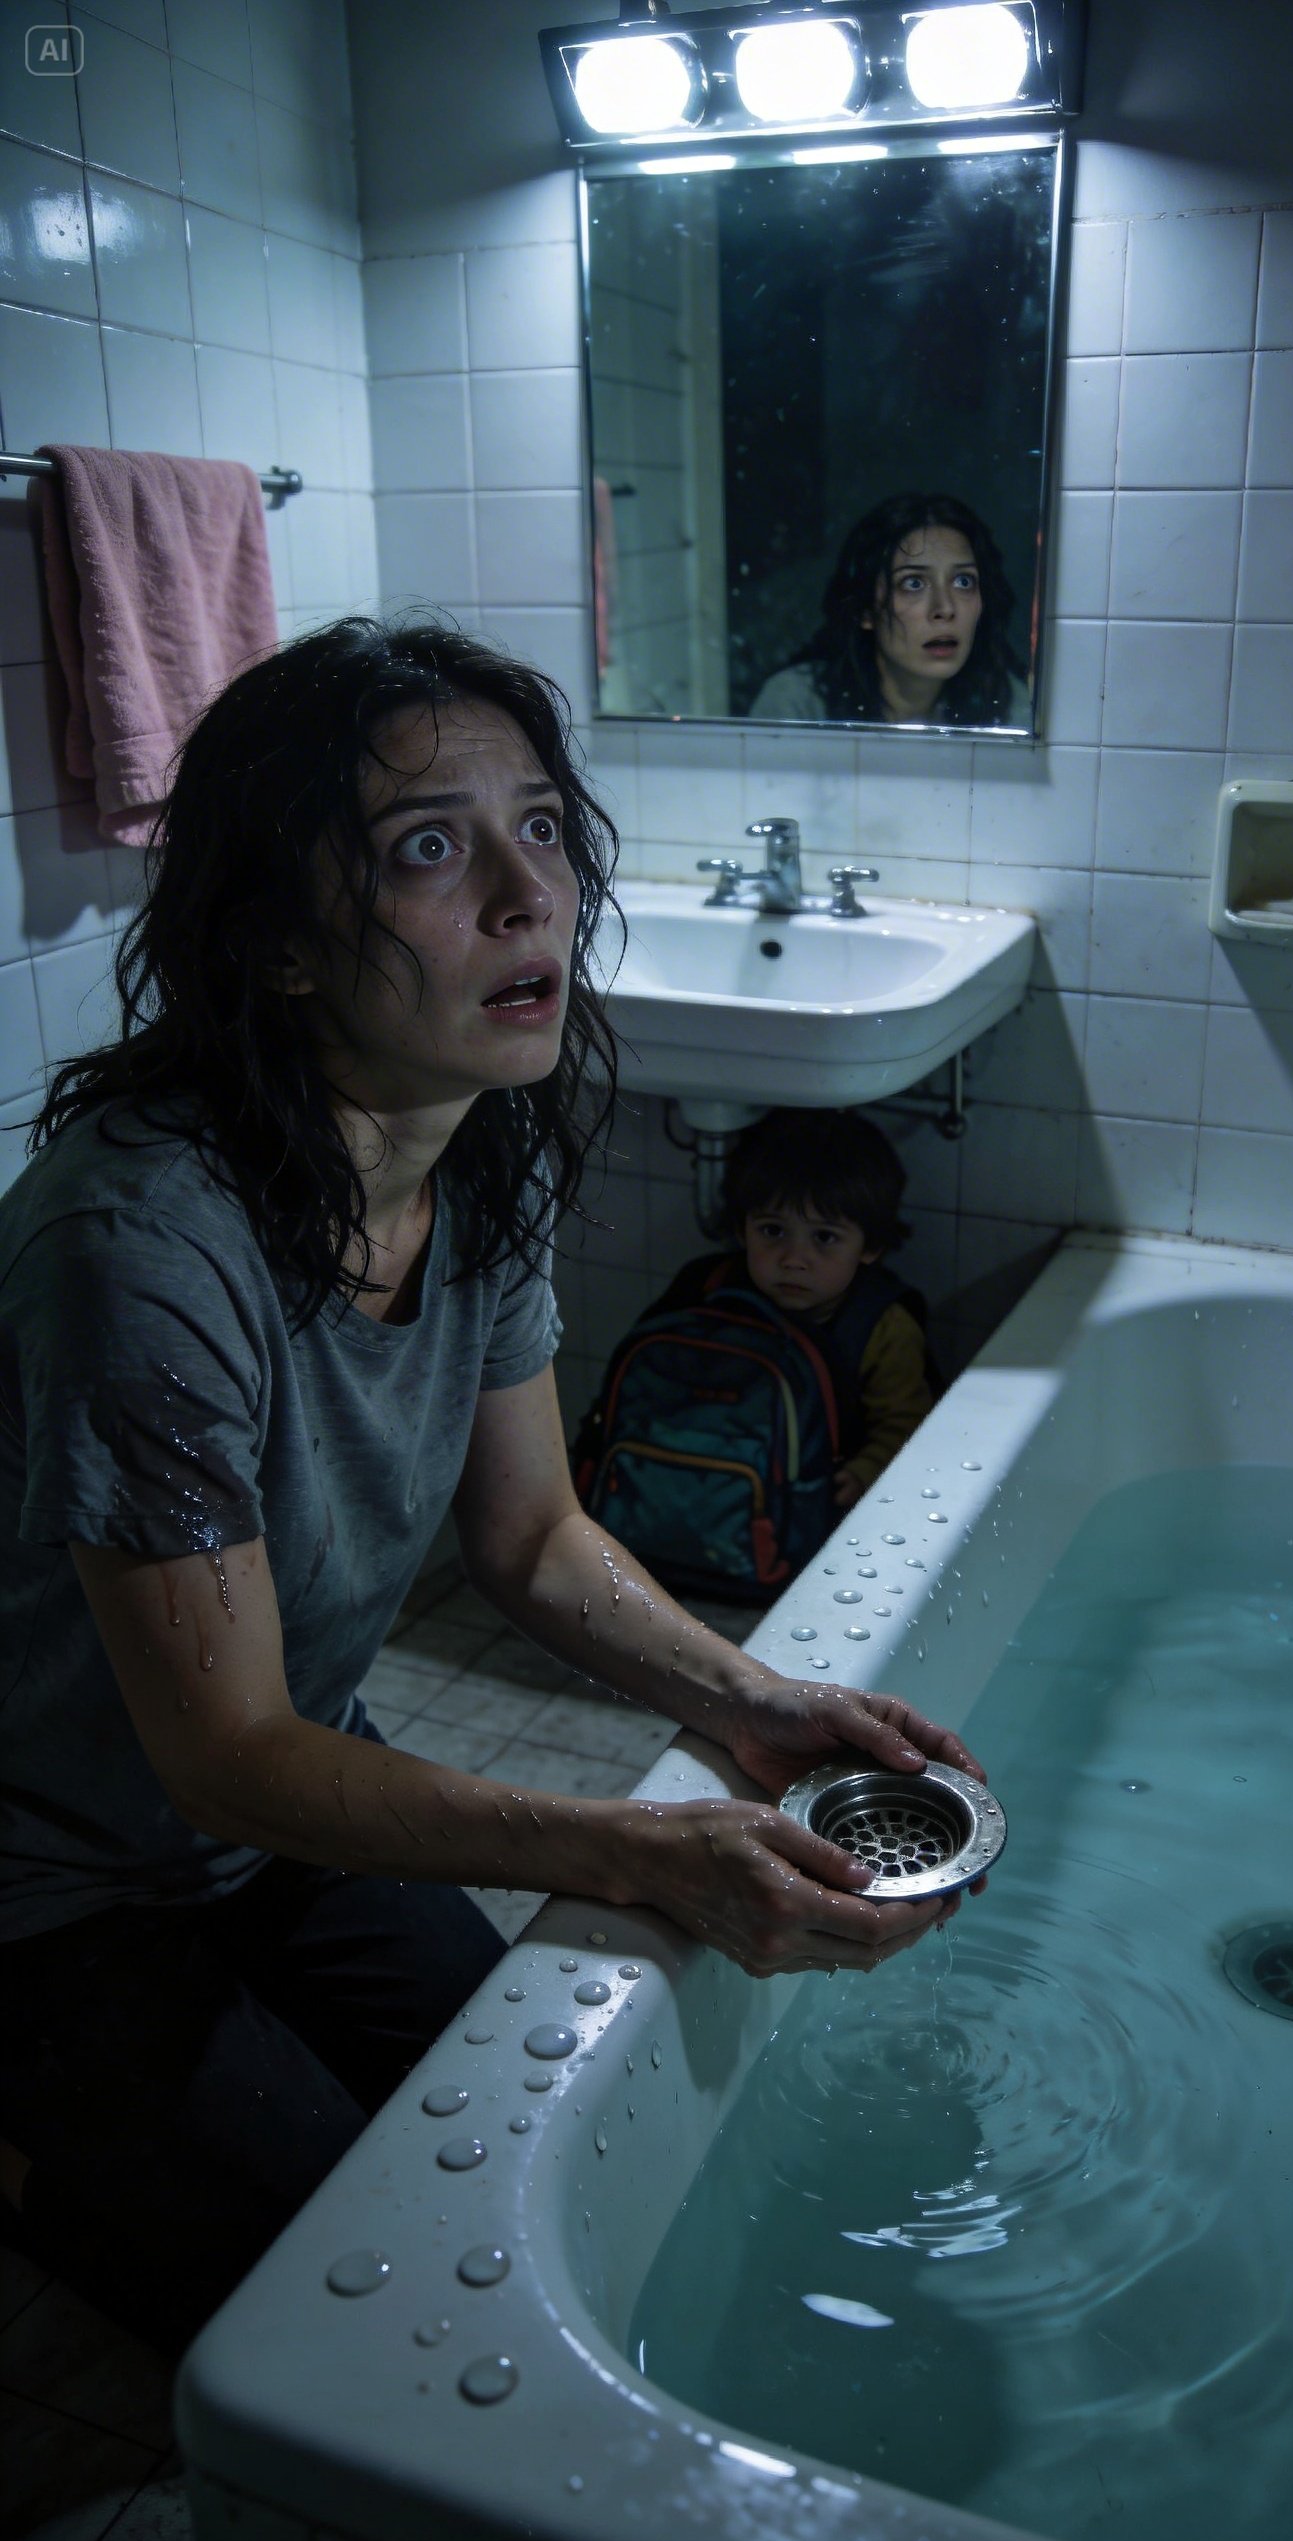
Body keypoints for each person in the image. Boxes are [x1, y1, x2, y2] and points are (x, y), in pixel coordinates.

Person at [0, 619, 984, 2357]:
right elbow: (224, 1750)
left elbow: (529, 1536)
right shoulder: (144, 1247)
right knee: (335, 2310)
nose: (532, 897)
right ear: (279, 942)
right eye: (427, 850)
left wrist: (757, 1703)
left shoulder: (466, 1148)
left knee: (519, 2141)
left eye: (539, 826)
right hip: (51, 1876)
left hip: (276, 1811)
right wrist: (636, 1845)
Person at [574, 1110, 939, 1596]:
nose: (793, 1258)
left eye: (824, 1238)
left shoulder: (881, 1325)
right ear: (742, 1228)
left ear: (870, 1247)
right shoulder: (705, 1288)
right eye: (772, 1231)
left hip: (805, 1537)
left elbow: (908, 1422)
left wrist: (866, 1469)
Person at [749, 491, 1029, 728]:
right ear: (865, 610)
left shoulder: (1007, 705)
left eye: (963, 581)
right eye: (914, 583)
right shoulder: (799, 705)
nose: (945, 608)